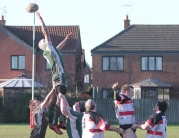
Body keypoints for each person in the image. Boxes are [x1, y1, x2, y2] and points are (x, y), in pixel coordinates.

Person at [36, 11, 73, 134]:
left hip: (59, 75)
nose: (47, 40)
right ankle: (54, 122)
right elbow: (45, 31)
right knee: (61, 98)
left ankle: (58, 121)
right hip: (59, 75)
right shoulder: (49, 48)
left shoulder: (52, 51)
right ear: (45, 44)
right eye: (45, 41)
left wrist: (66, 39)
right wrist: (40, 19)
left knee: (60, 99)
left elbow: (60, 47)